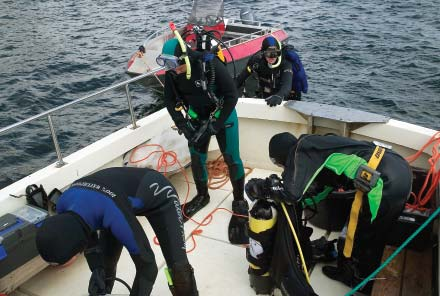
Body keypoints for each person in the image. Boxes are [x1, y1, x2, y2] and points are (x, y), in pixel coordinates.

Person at [265, 132, 412, 293]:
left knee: (361, 234)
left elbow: (291, 194)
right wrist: (306, 200)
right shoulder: (315, 145)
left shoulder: (299, 153)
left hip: (384, 183)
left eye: (281, 165)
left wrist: (264, 188)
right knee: (378, 232)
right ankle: (362, 272)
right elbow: (325, 187)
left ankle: (353, 277)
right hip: (398, 167)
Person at [35, 167, 198, 296]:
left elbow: (148, 267)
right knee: (105, 267)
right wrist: (96, 269)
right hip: (116, 198)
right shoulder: (64, 204)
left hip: (160, 195)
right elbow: (85, 232)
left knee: (179, 271)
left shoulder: (113, 214)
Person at [158, 37, 248, 244]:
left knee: (232, 158)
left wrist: (216, 124)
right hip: (197, 117)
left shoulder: (209, 64)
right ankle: (202, 195)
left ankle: (239, 200)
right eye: (167, 64)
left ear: (185, 58)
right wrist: (182, 124)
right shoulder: (173, 73)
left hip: (223, 115)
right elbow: (169, 100)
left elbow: (232, 95)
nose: (172, 69)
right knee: (197, 158)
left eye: (175, 64)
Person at [235, 36, 295, 106]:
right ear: (263, 52)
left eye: (275, 53)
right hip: (264, 96)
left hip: (283, 98)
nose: (272, 57)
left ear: (279, 53)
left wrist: (279, 95)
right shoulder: (257, 62)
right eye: (268, 54)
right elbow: (240, 79)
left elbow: (287, 84)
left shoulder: (285, 64)